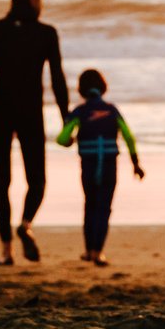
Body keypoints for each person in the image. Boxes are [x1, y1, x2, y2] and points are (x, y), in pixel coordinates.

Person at [0, 0, 70, 266]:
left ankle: (6, 250)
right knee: (37, 180)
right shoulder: (46, 34)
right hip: (30, 113)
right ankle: (26, 224)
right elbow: (57, 78)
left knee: (1, 181)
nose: (41, 3)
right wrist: (66, 117)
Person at [56, 68, 144, 266]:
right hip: (109, 166)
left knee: (90, 206)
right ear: (103, 88)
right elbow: (129, 137)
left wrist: (70, 140)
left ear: (81, 90)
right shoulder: (112, 110)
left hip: (88, 166)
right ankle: (98, 252)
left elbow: (61, 138)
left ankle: (88, 251)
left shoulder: (79, 112)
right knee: (104, 208)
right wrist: (136, 163)